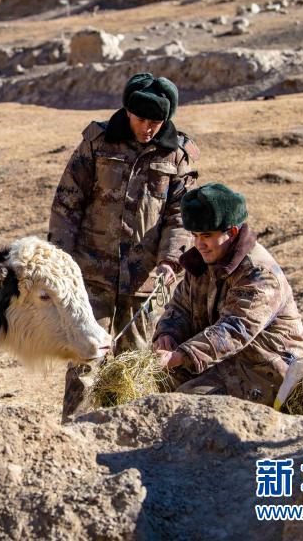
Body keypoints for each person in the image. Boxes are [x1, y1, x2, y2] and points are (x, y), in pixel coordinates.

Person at [48, 73, 199, 421]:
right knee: (87, 356)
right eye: (142, 119)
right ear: (127, 111)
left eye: (156, 121)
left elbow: (181, 215)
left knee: (136, 363)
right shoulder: (97, 142)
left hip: (146, 279)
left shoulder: (177, 155)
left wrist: (170, 261)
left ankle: (126, 429)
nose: (148, 128)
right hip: (92, 272)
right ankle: (75, 428)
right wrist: (62, 260)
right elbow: (67, 203)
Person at [153, 183, 303, 406]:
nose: (199, 245)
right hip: (217, 360)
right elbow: (180, 308)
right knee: (154, 386)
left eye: (206, 235)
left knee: (186, 402)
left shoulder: (259, 273)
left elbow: (236, 329)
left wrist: (181, 356)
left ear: (232, 232)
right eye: (194, 235)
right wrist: (167, 334)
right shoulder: (201, 262)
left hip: (265, 368)